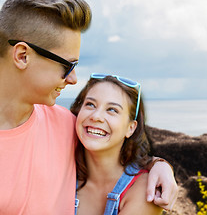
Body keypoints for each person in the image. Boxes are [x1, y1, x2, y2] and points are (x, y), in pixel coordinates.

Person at [0, 0, 177, 214]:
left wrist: (160, 165)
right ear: (22, 56)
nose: (74, 79)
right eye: (68, 65)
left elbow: (118, 154)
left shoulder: (66, 126)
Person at [71, 73, 169, 214]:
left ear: (131, 128)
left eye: (112, 110)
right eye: (90, 104)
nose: (96, 116)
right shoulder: (61, 172)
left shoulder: (143, 189)